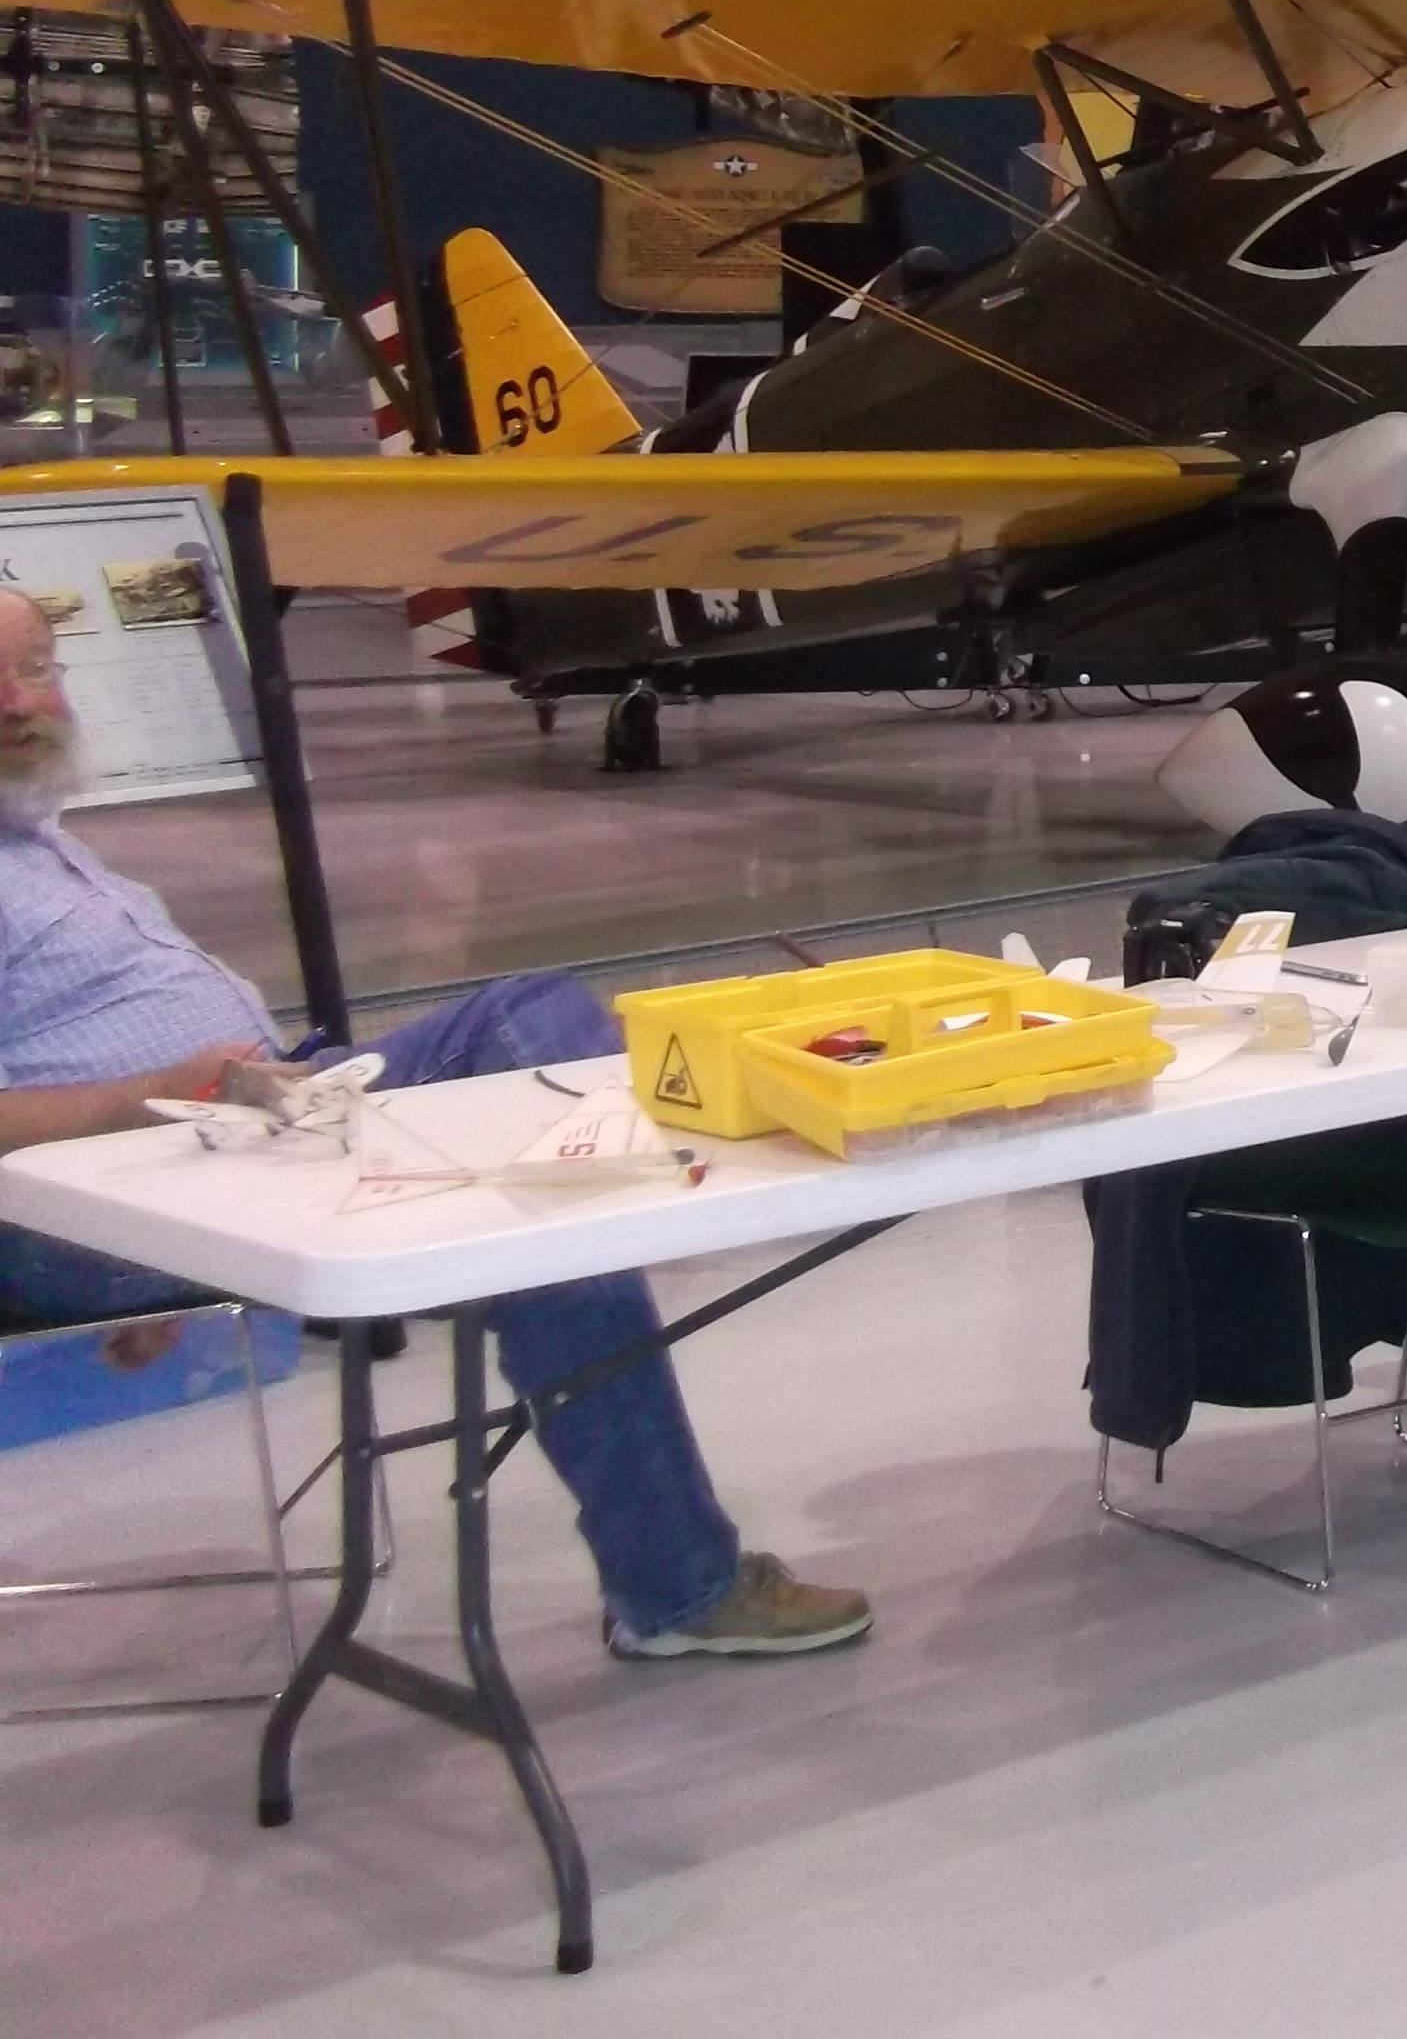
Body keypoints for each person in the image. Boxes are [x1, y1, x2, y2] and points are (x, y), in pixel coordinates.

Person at [0, 590, 869, 1661]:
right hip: (95, 1186)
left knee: (531, 1035)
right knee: (549, 1217)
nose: (18, 702)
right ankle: (676, 1573)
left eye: (36, 669)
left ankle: (615, 1227)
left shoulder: (33, 834)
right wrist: (142, 1123)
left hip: (225, 1132)